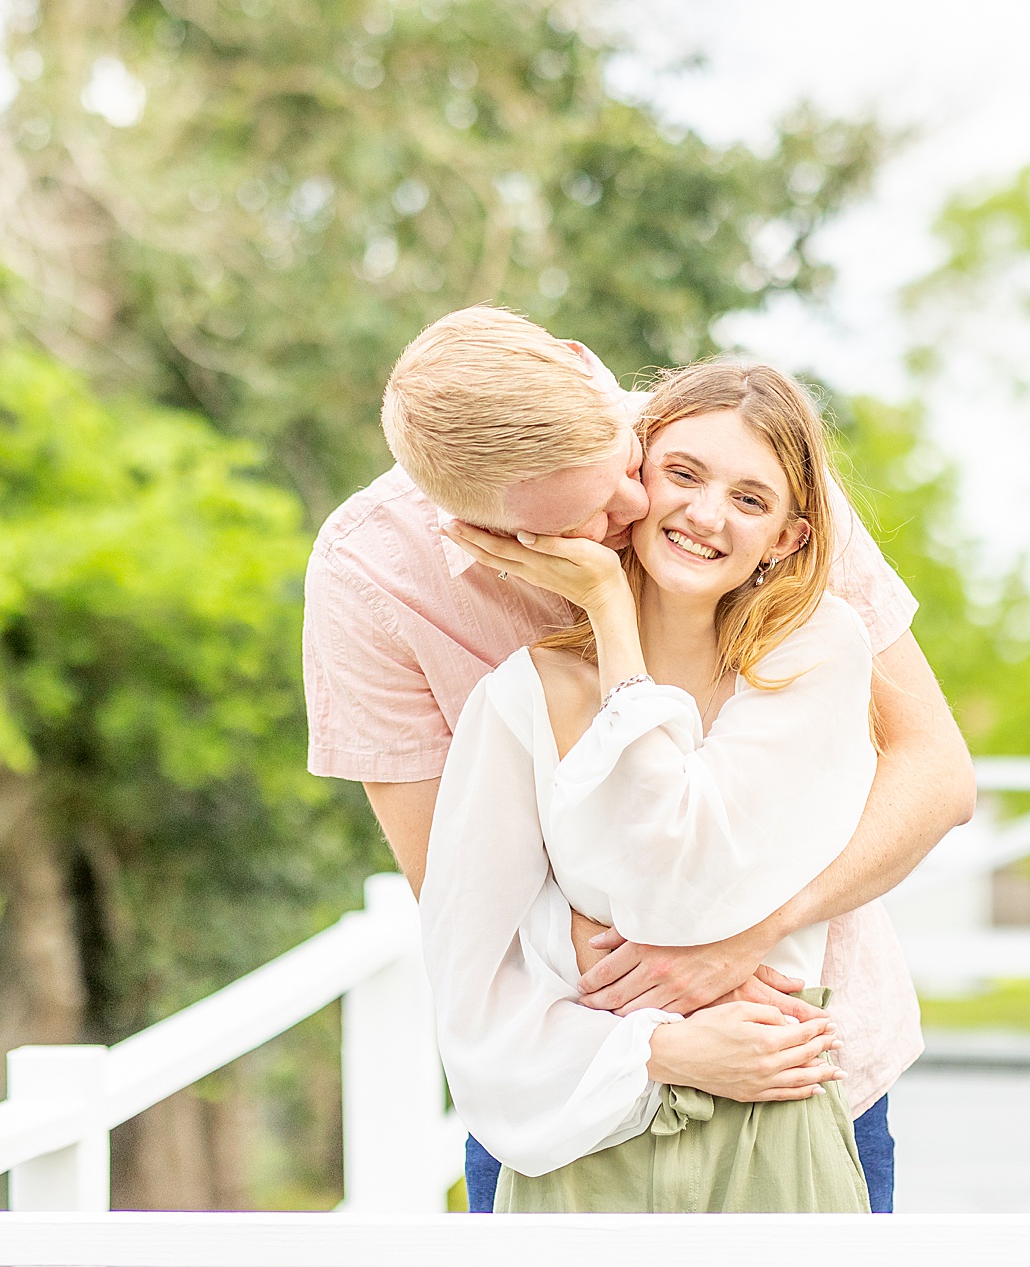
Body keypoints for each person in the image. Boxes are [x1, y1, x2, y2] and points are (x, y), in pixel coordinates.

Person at [302, 306, 975, 1211]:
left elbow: (935, 767)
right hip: (571, 1097)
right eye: (582, 521)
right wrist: (660, 1026)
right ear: (480, 529)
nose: (637, 514)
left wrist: (745, 936)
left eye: (626, 469)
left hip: (798, 1065)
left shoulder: (725, 454)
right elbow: (464, 899)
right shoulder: (373, 580)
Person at [423, 361, 887, 1210]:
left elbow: (679, 878)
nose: (707, 514)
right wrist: (656, 1052)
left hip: (767, 1127)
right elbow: (471, 972)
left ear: (786, 537)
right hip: (581, 1140)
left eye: (752, 500)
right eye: (683, 474)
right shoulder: (523, 695)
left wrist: (613, 621)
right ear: (633, 478)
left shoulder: (816, 656)